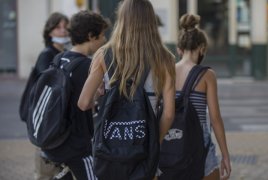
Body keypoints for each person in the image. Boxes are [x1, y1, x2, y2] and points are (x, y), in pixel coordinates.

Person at [77, 0, 175, 179]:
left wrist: (100, 96)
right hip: (144, 151)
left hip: (109, 151)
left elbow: (83, 103)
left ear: (122, 20)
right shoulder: (165, 58)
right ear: (151, 22)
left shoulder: (103, 55)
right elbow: (168, 114)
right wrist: (156, 141)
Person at [42, 10, 109, 180]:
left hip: (55, 136)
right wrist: (98, 94)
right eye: (102, 35)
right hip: (76, 145)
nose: (104, 40)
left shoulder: (60, 58)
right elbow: (84, 103)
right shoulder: (86, 65)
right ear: (91, 36)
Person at [175, 14, 231, 180]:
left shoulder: (167, 71)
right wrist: (225, 155)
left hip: (172, 143)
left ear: (179, 49)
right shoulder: (207, 75)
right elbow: (215, 118)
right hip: (199, 144)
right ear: (202, 48)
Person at [32, 12, 69, 180]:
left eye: (65, 27)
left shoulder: (67, 52)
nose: (63, 31)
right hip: (46, 120)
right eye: (58, 27)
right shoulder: (47, 54)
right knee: (45, 172)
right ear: (50, 32)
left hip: (58, 119)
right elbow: (47, 86)